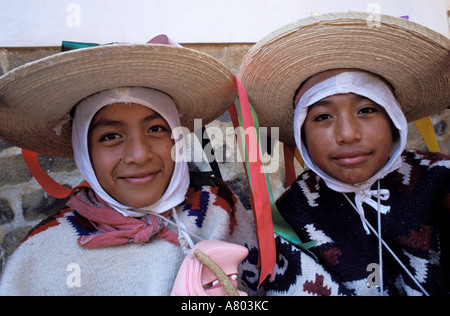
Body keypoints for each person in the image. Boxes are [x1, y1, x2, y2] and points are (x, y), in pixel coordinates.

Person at [0, 35, 260, 295]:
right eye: (110, 136)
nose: (138, 155)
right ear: (84, 151)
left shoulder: (219, 207)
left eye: (156, 128)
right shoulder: (40, 257)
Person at [239, 12, 450, 295]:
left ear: (393, 120)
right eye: (323, 117)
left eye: (366, 110)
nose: (348, 134)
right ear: (302, 134)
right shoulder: (292, 214)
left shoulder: (439, 180)